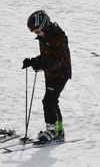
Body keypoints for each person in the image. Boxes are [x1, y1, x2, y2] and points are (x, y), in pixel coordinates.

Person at [22, 10, 71, 144]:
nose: (37, 34)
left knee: (48, 101)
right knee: (53, 101)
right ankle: (59, 130)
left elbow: (58, 60)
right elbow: (46, 57)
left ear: (44, 25)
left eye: (37, 31)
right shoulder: (45, 37)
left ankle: (52, 130)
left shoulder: (57, 36)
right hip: (51, 73)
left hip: (60, 73)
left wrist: (41, 63)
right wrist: (33, 61)